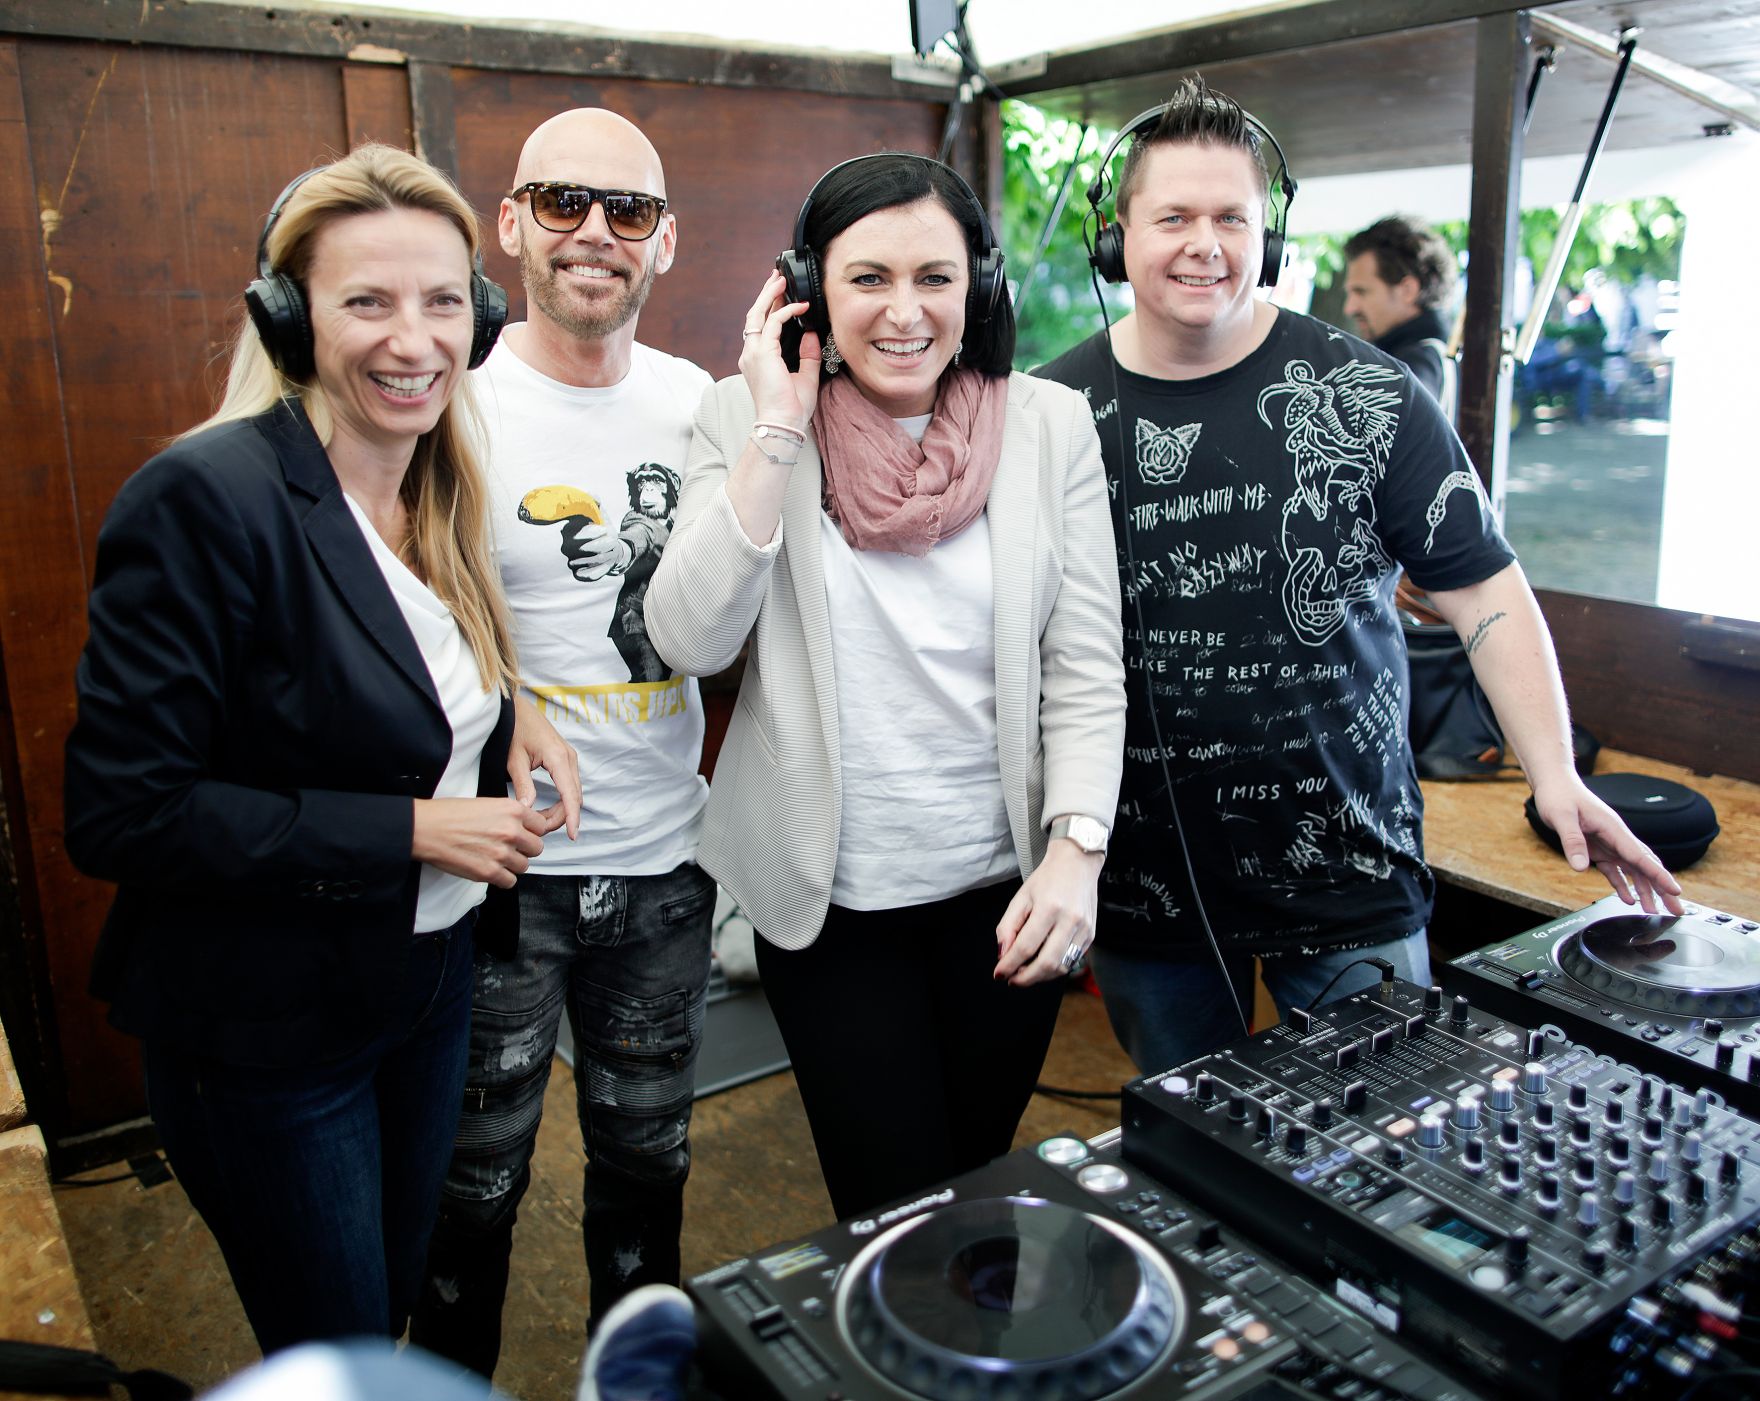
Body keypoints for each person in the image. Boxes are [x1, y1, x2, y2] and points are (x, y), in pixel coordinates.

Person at [1036, 77, 1683, 1076]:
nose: (1202, 243)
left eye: (1229, 218)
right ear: (1116, 236)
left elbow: (1486, 595)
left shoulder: (1366, 393)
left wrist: (1553, 776)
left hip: (1343, 872)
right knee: (1193, 1165)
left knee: (1373, 1148)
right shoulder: (1048, 411)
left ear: (1270, 237)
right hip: (1140, 885)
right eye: (1170, 216)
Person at [64, 144, 580, 1353]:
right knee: (337, 1351)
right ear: (289, 319)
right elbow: (123, 813)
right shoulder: (203, 498)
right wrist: (410, 831)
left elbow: (394, 679)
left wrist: (514, 714)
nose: (415, 340)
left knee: (387, 1303)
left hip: (423, 988)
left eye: (443, 301)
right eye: (367, 301)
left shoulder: (438, 482)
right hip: (268, 1036)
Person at [645, 153, 1125, 1221]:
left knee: (982, 1187)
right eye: (867, 278)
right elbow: (686, 637)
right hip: (834, 906)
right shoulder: (739, 418)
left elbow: (1084, 665)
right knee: (893, 1209)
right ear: (810, 289)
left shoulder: (1045, 427)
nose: (903, 312)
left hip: (1009, 894)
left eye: (934, 277)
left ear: (979, 288)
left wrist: (1074, 855)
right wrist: (775, 425)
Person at [411, 109, 716, 1376]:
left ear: (664, 243)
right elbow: (407, 611)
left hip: (662, 872)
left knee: (647, 1173)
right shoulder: (452, 410)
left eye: (626, 210)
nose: (594, 232)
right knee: (470, 1192)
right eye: (561, 203)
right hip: (497, 877)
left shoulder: (703, 406)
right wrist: (508, 699)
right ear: (509, 224)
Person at [1342, 214, 1458, 410]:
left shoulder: (1419, 365)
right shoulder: (1427, 358)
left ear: (1408, 290)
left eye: (1361, 292)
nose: (1350, 308)